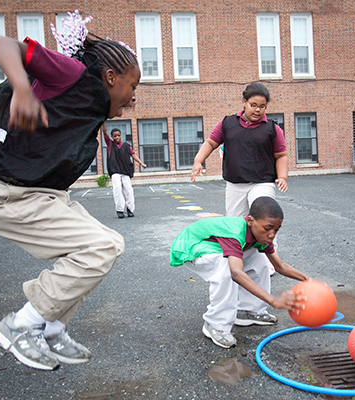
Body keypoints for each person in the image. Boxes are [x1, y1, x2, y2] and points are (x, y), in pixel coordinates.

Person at [0, 11, 139, 370]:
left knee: (109, 246)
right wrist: (23, 90)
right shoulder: (72, 74)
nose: (134, 97)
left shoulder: (92, 107)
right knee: (100, 247)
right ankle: (20, 325)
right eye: (132, 86)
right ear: (109, 76)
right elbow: (2, 44)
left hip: (40, 195)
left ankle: (51, 328)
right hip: (9, 194)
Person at [169, 197, 310, 349]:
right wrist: (272, 300)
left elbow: (280, 266)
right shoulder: (235, 232)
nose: (272, 234)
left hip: (214, 247)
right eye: (268, 228)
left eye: (276, 229)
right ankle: (216, 324)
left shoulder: (259, 235)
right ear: (250, 221)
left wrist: (307, 279)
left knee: (259, 258)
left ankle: (248, 310)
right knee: (226, 267)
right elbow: (236, 273)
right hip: (191, 247)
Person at [191, 83, 288, 275]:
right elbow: (211, 142)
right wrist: (198, 161)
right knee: (235, 224)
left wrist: (282, 176)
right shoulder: (228, 123)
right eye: (253, 105)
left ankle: (269, 261)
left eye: (262, 106)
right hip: (236, 183)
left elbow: (281, 155)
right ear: (244, 102)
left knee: (263, 217)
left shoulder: (272, 128)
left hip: (263, 181)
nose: (257, 110)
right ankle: (239, 260)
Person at [102, 123, 147, 218]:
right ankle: (120, 210)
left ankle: (130, 209)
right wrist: (102, 122)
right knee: (117, 189)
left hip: (125, 170)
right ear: (112, 137)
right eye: (115, 136)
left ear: (121, 135)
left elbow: (133, 155)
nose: (117, 137)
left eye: (118, 135)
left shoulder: (126, 146)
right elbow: (105, 133)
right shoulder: (110, 144)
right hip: (115, 171)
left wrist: (141, 163)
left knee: (128, 190)